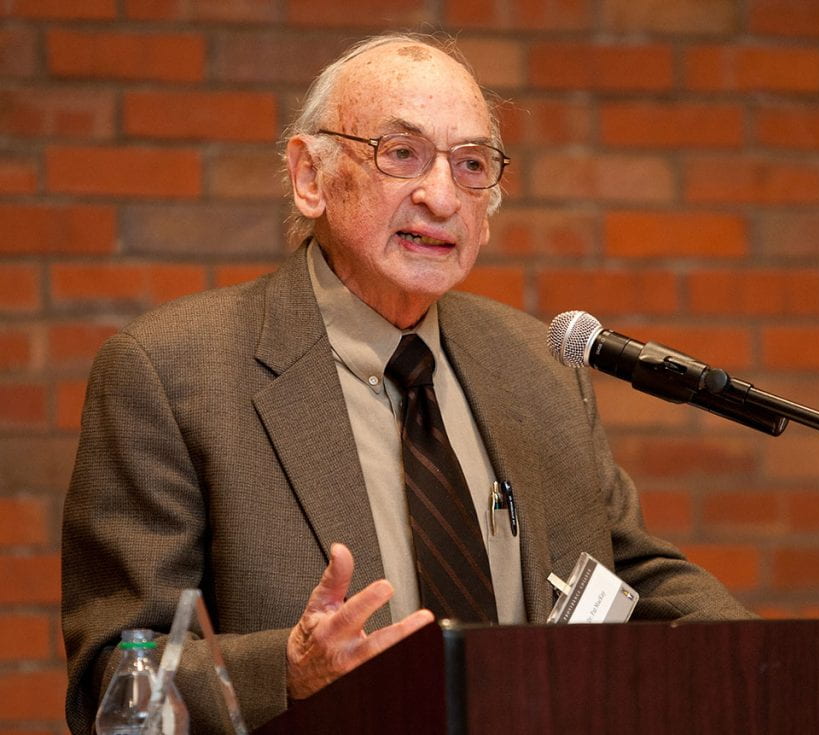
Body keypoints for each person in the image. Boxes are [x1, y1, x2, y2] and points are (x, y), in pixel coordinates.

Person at [61, 32, 754, 735]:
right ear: (310, 177)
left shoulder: (538, 367)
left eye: (471, 164)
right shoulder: (171, 370)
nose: (441, 196)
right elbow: (114, 676)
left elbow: (630, 575)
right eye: (401, 154)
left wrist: (765, 662)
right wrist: (291, 672)